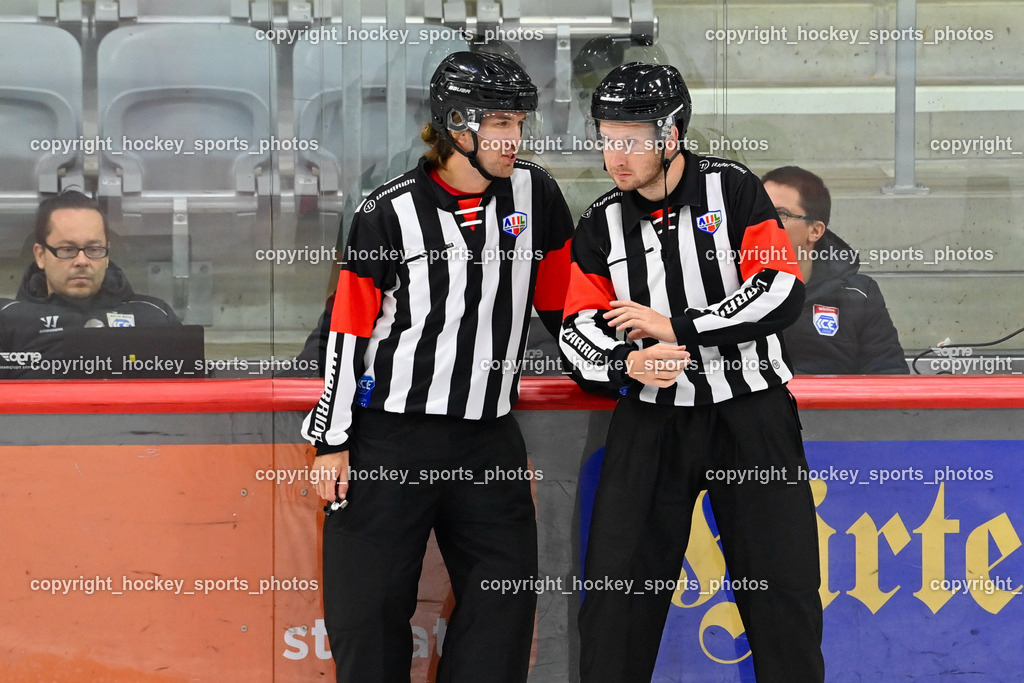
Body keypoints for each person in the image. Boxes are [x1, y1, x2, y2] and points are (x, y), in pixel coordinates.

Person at [302, 52, 573, 682]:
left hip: (487, 437)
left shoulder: (539, 194)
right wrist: (332, 440)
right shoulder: (386, 213)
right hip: (389, 436)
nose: (516, 137)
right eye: (501, 121)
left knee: (504, 603)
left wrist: (618, 361)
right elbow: (348, 330)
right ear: (457, 126)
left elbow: (564, 306)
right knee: (366, 612)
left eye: (520, 122)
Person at [560, 63, 825, 682]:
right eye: (605, 137)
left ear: (671, 134)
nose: (614, 155)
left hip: (750, 416)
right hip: (651, 424)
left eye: (630, 140)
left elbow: (780, 289)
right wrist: (627, 362)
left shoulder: (733, 189)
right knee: (615, 607)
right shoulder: (600, 223)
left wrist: (677, 326)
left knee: (782, 598)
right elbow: (578, 330)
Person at [0, 190, 180, 378]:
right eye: (67, 249)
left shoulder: (154, 316)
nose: (82, 261)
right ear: (40, 255)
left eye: (93, 249)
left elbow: (189, 398)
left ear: (107, 254)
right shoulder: (7, 320)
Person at [762, 166, 909, 374]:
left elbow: (888, 379)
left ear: (814, 231)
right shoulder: (722, 286)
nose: (761, 222)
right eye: (757, 209)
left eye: (780, 214)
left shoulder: (859, 295)